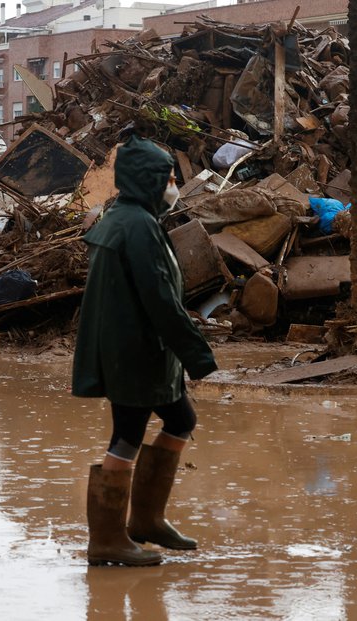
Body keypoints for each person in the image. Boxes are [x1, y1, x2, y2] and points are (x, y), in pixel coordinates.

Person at [72, 132, 218, 566]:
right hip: (135, 350)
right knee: (127, 435)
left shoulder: (125, 218)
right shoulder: (137, 226)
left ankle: (147, 521)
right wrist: (198, 357)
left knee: (180, 418)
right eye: (169, 178)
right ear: (150, 181)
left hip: (135, 347)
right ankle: (108, 540)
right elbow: (160, 300)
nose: (174, 186)